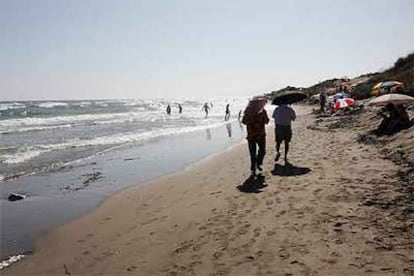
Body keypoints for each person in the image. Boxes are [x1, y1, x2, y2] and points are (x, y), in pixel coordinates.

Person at [242, 97, 269, 175]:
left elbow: (266, 121)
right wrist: (253, 118)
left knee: (262, 151)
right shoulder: (248, 112)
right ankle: (253, 167)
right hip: (253, 135)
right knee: (253, 153)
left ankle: (258, 163)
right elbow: (244, 121)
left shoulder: (263, 111)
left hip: (260, 134)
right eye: (262, 103)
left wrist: (262, 118)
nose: (263, 104)